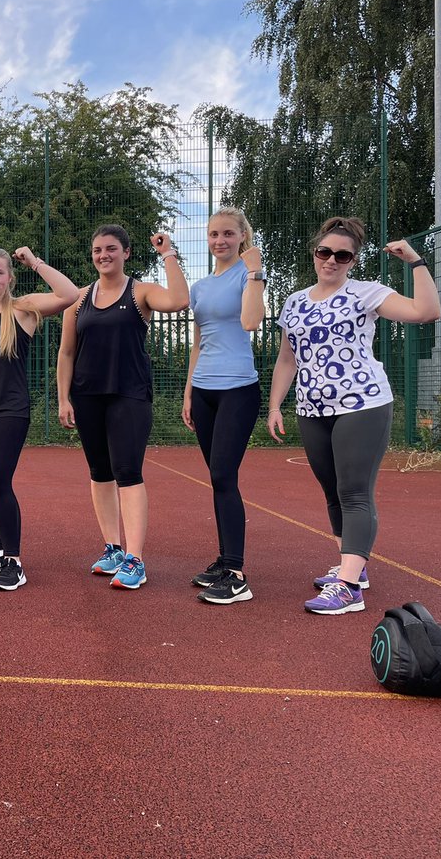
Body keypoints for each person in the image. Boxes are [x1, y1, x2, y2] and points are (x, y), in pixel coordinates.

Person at [268, 218, 439, 615]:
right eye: (324, 252)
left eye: (342, 255)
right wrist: (276, 405)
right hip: (312, 409)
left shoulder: (366, 293)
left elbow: (426, 312)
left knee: (354, 492)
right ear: (314, 252)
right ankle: (354, 568)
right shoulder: (294, 302)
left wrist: (415, 262)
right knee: (332, 492)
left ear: (352, 260)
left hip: (362, 404)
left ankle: (348, 588)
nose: (331, 260)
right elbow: (286, 359)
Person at [57, 225, 190, 590]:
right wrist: (63, 397)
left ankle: (135, 559)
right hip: (87, 396)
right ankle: (113, 548)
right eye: (98, 250)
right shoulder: (80, 299)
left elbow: (180, 300)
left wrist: (168, 254)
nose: (104, 255)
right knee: (100, 472)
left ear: (126, 252)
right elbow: (66, 352)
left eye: (111, 249)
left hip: (128, 394)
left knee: (128, 471)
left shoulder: (140, 292)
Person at [0, 247, 79, 591]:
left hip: (10, 410)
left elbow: (68, 295)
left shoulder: (23, 310)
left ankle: (14, 561)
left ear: (10, 278)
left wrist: (35, 262)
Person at [184, 209, 267, 605]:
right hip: (204, 391)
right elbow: (198, 342)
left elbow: (251, 321)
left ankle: (236, 575)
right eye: (214, 234)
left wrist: (256, 271)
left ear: (241, 237)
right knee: (217, 479)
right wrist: (187, 392)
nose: (220, 240)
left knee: (223, 474)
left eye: (228, 234)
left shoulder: (247, 275)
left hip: (238, 388)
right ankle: (223, 560)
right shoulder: (200, 287)